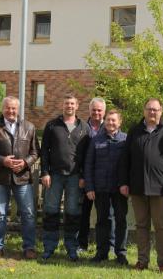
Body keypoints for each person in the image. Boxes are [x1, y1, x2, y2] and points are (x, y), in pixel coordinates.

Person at [119, 97, 163, 272]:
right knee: (141, 226)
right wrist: (124, 182)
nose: (152, 112)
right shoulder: (134, 131)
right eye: (149, 109)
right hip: (137, 187)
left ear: (161, 111)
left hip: (160, 187)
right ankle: (142, 261)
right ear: (144, 111)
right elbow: (126, 159)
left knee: (161, 227)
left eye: (155, 109)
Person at [0, 96, 39, 260]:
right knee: (0, 213)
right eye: (7, 107)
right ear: (2, 109)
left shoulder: (29, 127)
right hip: (1, 177)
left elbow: (35, 152)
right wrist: (2, 160)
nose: (10, 111)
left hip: (22, 178)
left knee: (28, 213)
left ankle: (29, 247)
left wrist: (25, 162)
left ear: (18, 109)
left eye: (13, 108)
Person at [39, 94, 90, 261]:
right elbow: (44, 151)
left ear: (77, 106)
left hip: (75, 177)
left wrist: (83, 176)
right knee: (50, 211)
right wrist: (44, 172)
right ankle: (49, 246)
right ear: (62, 105)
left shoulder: (84, 127)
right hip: (54, 175)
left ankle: (71, 247)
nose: (69, 106)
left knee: (73, 212)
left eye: (72, 103)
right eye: (67, 103)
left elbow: (88, 155)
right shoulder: (52, 125)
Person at [84, 109, 129, 265]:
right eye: (108, 120)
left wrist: (127, 184)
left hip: (119, 188)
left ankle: (121, 253)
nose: (110, 123)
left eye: (114, 120)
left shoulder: (125, 140)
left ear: (119, 122)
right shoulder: (96, 140)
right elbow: (89, 164)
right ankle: (102, 252)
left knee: (121, 220)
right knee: (102, 220)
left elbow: (130, 165)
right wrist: (89, 187)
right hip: (100, 187)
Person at [77, 97, 106, 252]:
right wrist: (82, 176)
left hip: (103, 179)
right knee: (83, 213)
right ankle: (81, 244)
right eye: (94, 110)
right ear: (89, 110)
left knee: (105, 214)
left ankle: (105, 246)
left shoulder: (109, 127)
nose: (96, 113)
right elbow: (79, 155)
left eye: (99, 110)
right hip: (85, 177)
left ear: (104, 112)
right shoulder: (82, 127)